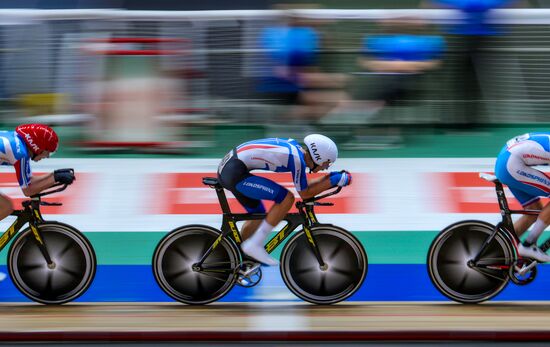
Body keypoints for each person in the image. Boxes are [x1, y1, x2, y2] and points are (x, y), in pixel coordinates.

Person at [217, 134, 351, 266]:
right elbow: (305, 193)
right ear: (319, 157)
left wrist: (331, 179)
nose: (327, 167)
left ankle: (243, 258)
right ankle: (254, 245)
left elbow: (306, 187)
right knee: (286, 198)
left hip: (231, 169)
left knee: (258, 214)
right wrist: (334, 179)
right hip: (234, 172)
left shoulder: (296, 152)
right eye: (328, 162)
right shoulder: (297, 159)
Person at [494, 132, 550, 262]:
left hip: (507, 162)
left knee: (533, 210)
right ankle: (529, 245)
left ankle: (496, 250)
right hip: (511, 164)